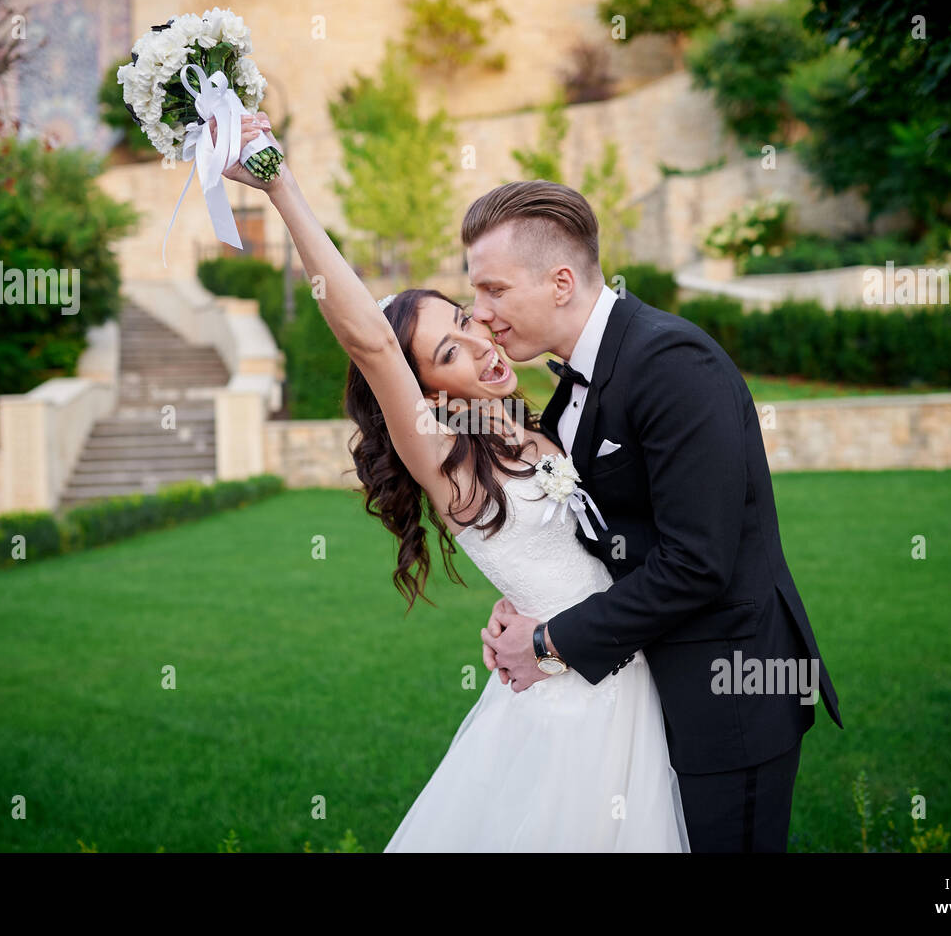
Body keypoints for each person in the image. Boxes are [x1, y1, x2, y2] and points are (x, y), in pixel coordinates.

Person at [222, 112, 689, 851]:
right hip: (572, 704)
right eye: (448, 350)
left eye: (467, 319)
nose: (479, 341)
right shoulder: (449, 462)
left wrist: (522, 611)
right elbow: (368, 339)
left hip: (618, 669)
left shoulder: (542, 422)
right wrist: (281, 186)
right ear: (425, 387)